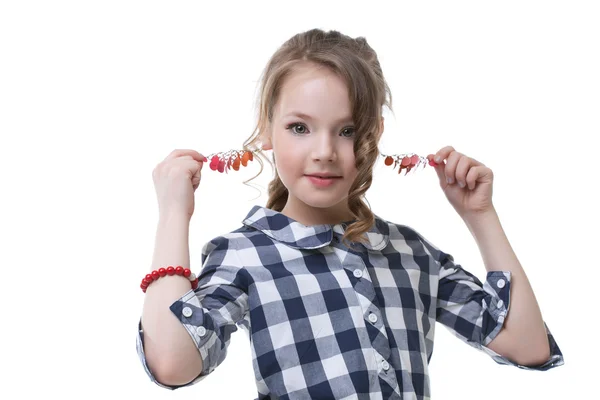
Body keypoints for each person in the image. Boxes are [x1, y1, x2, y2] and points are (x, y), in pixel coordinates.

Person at [136, 28, 564, 399]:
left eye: (347, 130)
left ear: (374, 134)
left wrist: (480, 216)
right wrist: (174, 214)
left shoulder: (409, 253)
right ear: (266, 128)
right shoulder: (245, 255)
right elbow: (173, 363)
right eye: (299, 128)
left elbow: (527, 346)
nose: (324, 153)